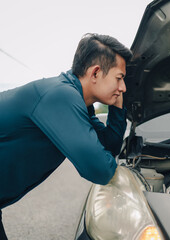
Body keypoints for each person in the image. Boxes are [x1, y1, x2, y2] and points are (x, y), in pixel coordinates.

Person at [0, 33, 132, 239]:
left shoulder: (78, 103)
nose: (123, 87)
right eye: (119, 78)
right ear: (95, 72)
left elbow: (109, 147)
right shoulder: (60, 96)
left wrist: (116, 107)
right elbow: (99, 169)